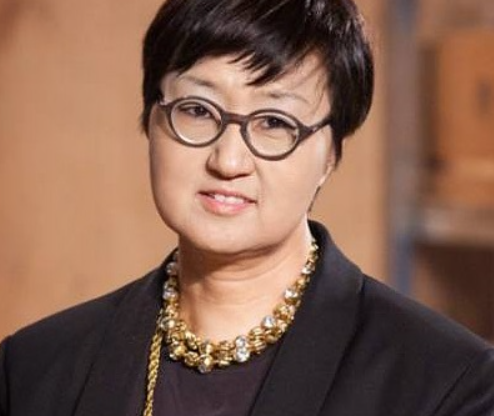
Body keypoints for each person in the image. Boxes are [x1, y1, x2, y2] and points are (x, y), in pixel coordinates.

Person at [1, 0, 494, 415]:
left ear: (331, 153)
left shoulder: (448, 384)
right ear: (150, 118)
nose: (228, 160)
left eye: (275, 122)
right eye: (197, 110)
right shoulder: (32, 371)